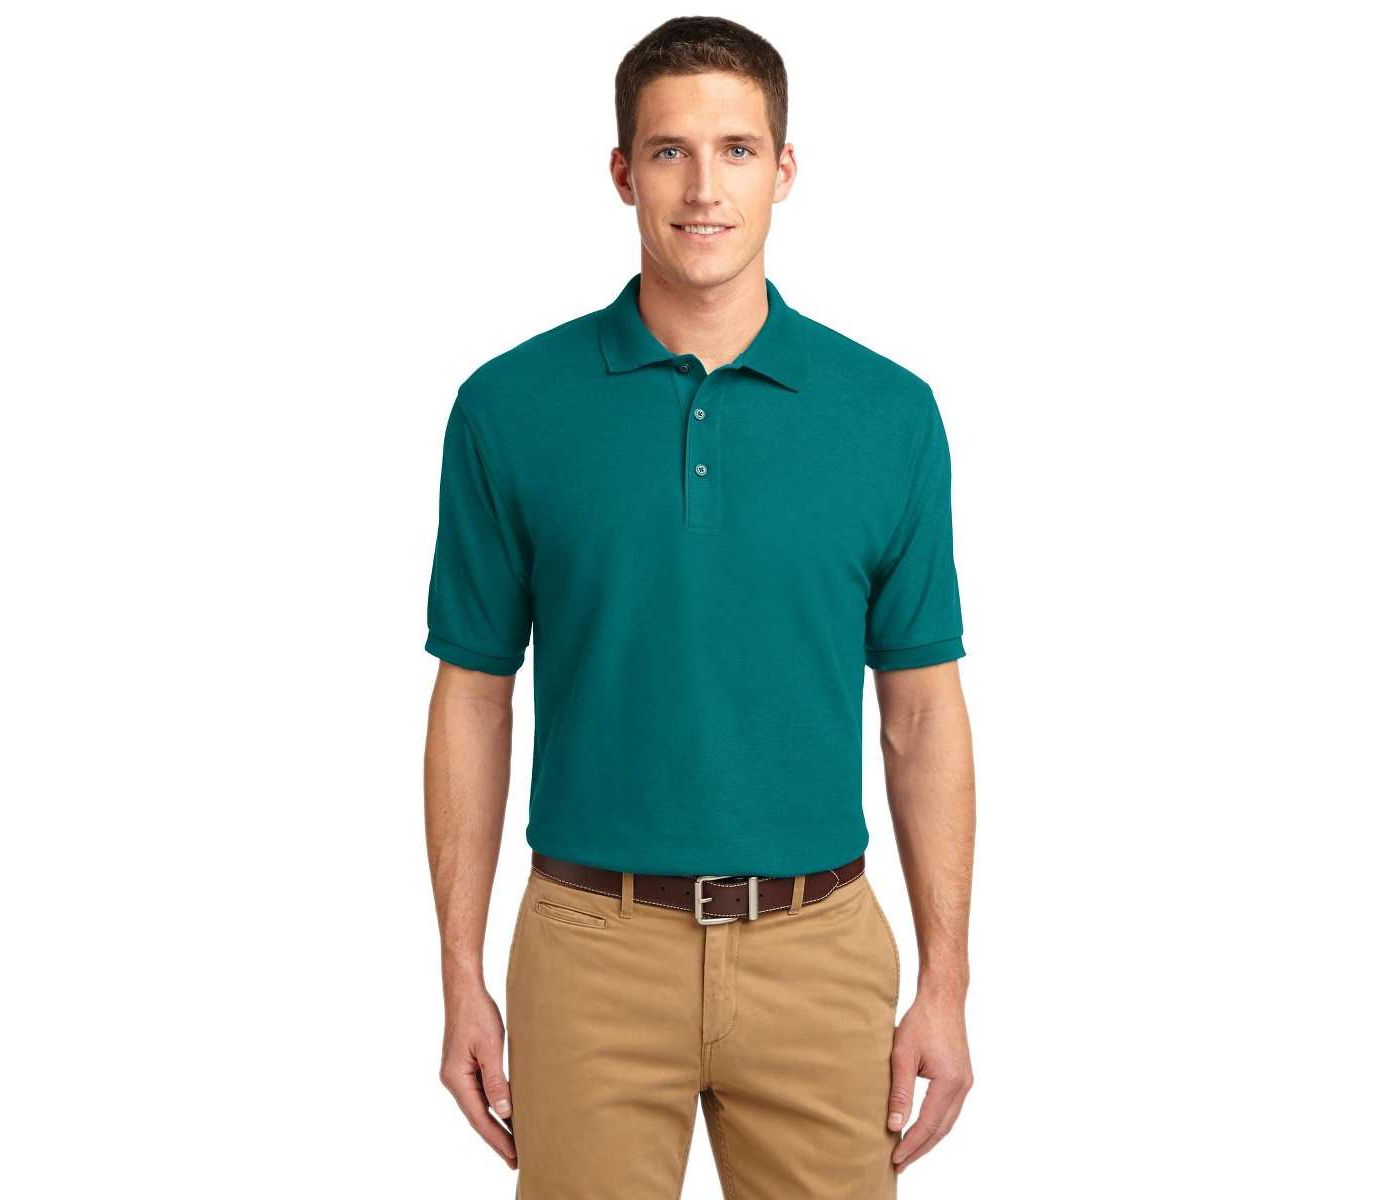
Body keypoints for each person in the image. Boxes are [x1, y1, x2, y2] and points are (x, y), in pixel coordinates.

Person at [422, 16, 975, 1197]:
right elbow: (471, 694)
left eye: (736, 150)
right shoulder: (509, 407)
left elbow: (921, 714)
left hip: (818, 952)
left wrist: (946, 980)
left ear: (784, 169)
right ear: (622, 172)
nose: (703, 188)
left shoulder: (887, 415)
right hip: (588, 951)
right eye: (669, 151)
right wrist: (459, 970)